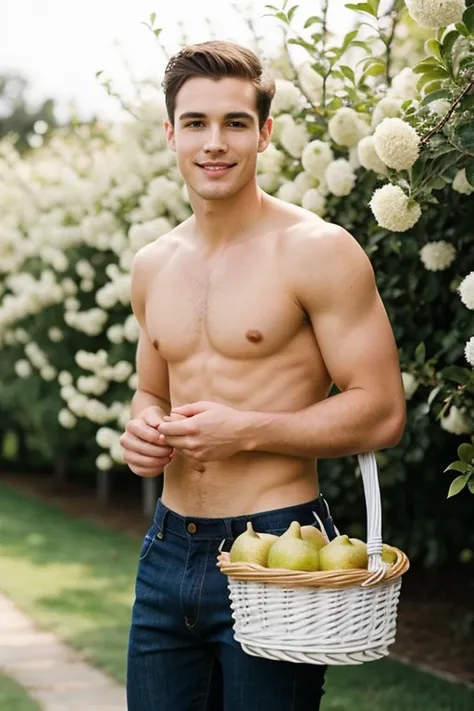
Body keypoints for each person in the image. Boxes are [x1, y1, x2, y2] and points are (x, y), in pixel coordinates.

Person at [121, 39, 406, 711]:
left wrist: (245, 430)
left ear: (265, 132)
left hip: (283, 551)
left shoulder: (317, 251)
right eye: (195, 123)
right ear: (170, 133)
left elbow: (383, 410)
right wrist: (142, 428)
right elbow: (152, 388)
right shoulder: (152, 264)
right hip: (167, 550)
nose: (213, 142)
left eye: (234, 122)